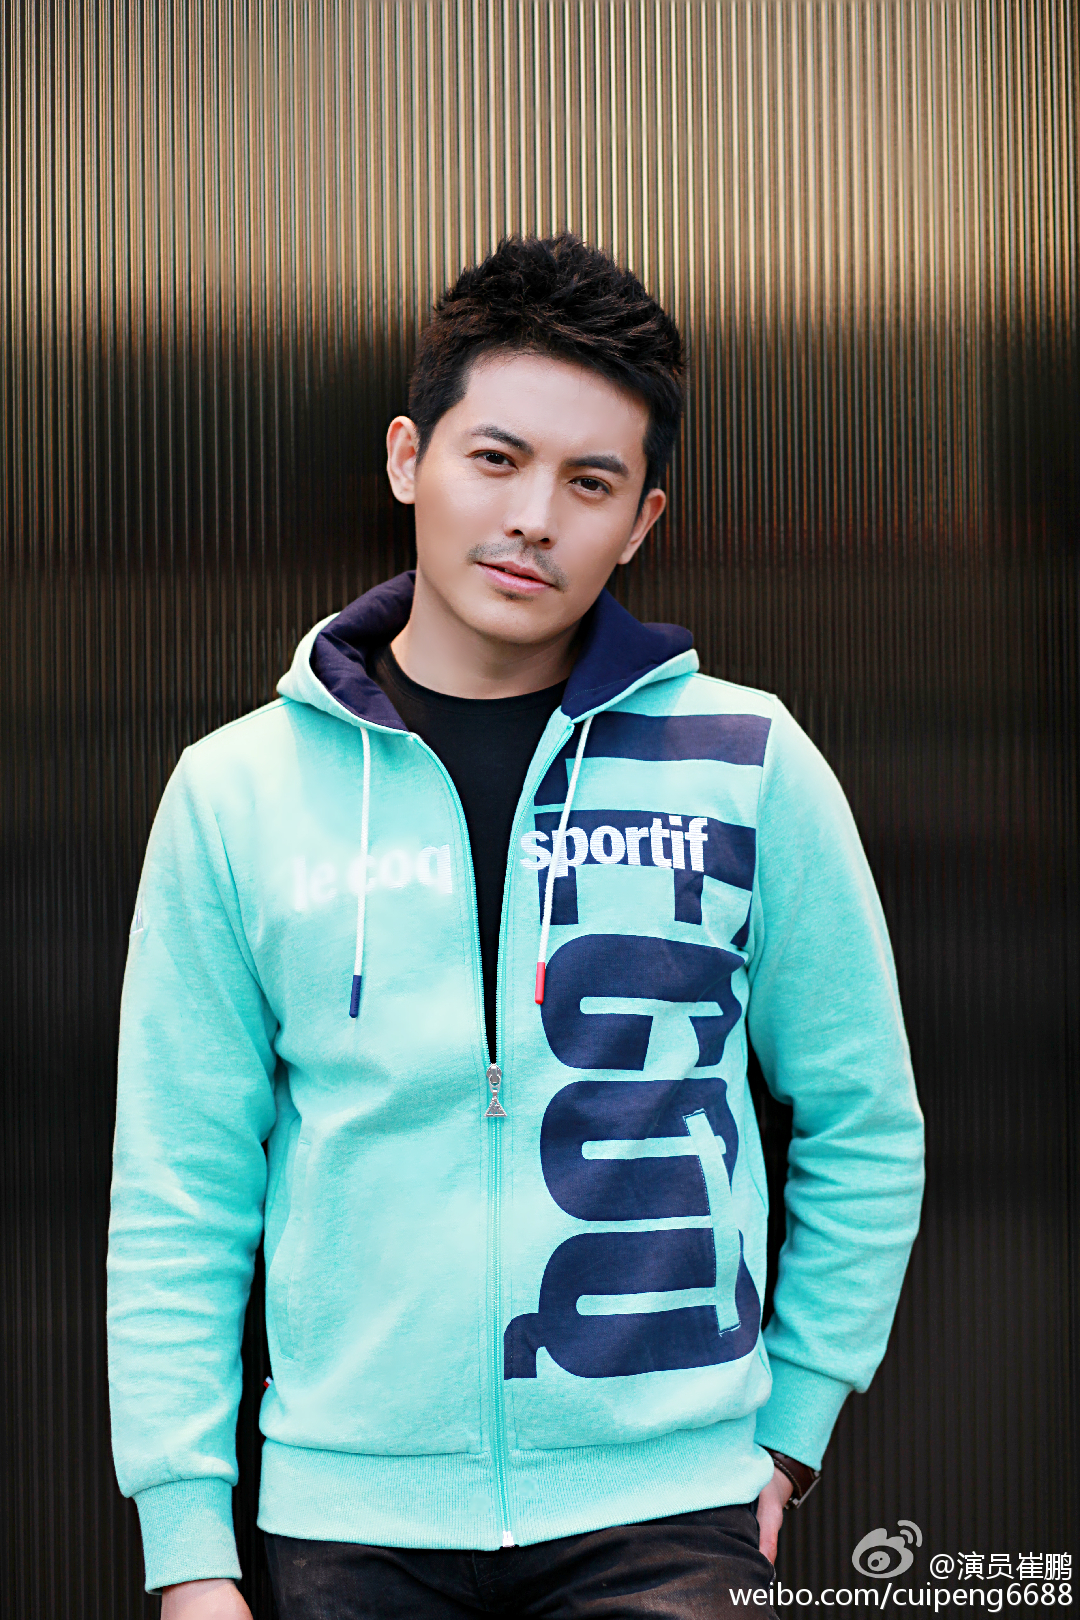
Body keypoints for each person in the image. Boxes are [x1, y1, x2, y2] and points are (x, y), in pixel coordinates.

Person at [107, 233, 925, 1619]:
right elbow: (181, 1189)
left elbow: (865, 1122)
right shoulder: (237, 791)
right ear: (407, 459)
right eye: (496, 458)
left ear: (642, 521)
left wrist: (792, 1422)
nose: (535, 516)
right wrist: (188, 1546)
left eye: (588, 481)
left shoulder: (748, 763)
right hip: (349, 1521)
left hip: (666, 1513)